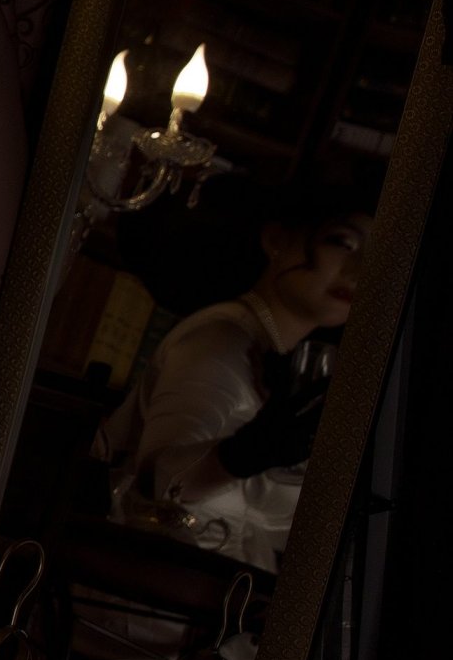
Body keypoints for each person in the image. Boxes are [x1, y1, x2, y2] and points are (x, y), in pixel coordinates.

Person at [96, 177, 373, 572]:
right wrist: (246, 453)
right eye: (343, 243)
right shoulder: (220, 343)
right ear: (276, 239)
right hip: (157, 585)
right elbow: (158, 484)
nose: (358, 270)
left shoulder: (282, 361)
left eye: (375, 257)